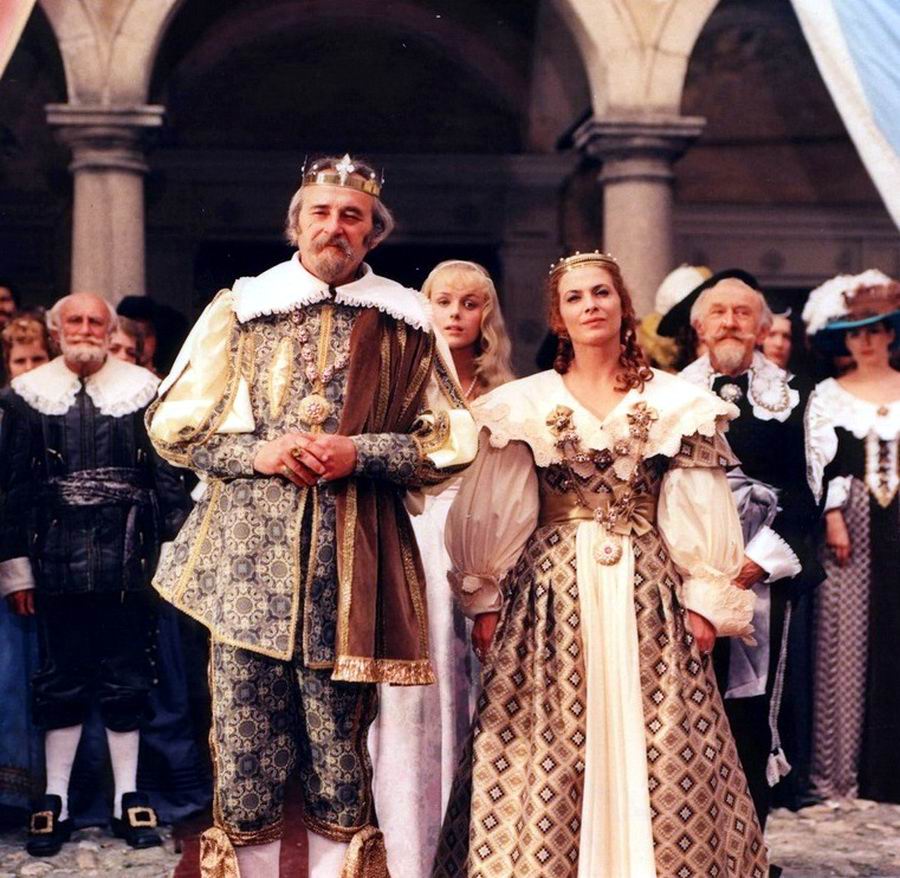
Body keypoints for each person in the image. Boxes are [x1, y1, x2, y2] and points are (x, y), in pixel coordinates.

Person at [147, 155, 477, 878]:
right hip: (244, 568)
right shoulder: (243, 308)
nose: (336, 227)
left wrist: (361, 452)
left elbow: (453, 440)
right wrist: (260, 453)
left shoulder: (406, 319)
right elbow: (173, 426)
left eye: (352, 216)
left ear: (373, 233)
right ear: (296, 225)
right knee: (245, 759)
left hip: (353, 569)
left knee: (339, 760)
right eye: (321, 213)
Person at [433, 251, 766, 878]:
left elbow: (694, 499)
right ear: (558, 318)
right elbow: (500, 507)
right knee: (547, 733)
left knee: (665, 732)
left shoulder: (675, 401)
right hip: (551, 594)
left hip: (650, 589)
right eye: (575, 297)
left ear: (623, 306)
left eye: (601, 293)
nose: (590, 305)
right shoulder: (522, 403)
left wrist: (704, 593)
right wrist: (486, 596)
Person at [0, 292, 191, 857]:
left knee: (127, 677)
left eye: (95, 321)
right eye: (74, 321)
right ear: (56, 332)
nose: (85, 329)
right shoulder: (25, 398)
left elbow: (167, 484)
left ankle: (127, 797)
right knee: (60, 679)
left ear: (111, 333)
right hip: (53, 563)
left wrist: (176, 560)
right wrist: (18, 573)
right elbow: (12, 492)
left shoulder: (145, 392)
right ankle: (55, 801)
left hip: (130, 562)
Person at [368, 260, 514, 878]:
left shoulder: (505, 393)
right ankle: (405, 853)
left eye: (470, 303)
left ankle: (477, 852)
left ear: (487, 316)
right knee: (408, 699)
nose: (455, 314)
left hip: (484, 545)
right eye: (444, 301)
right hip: (412, 534)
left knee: (479, 690)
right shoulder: (402, 383)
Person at [679, 272, 821, 834]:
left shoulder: (795, 396)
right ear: (699, 325)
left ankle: (747, 850)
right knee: (684, 709)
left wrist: (759, 561)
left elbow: (809, 495)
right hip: (685, 571)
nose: (730, 322)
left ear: (762, 328)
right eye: (719, 312)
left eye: (743, 313)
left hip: (760, 573)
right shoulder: (667, 393)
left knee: (751, 714)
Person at [803, 270, 900, 804]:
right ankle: (841, 773)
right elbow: (820, 467)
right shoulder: (828, 396)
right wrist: (833, 517)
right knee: (847, 639)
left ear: (890, 334)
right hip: (853, 524)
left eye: (874, 330)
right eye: (855, 332)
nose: (865, 341)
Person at [0, 315, 53, 824]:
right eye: (21, 361)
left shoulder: (62, 410)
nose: (30, 369)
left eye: (39, 358)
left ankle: (42, 791)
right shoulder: (6, 413)